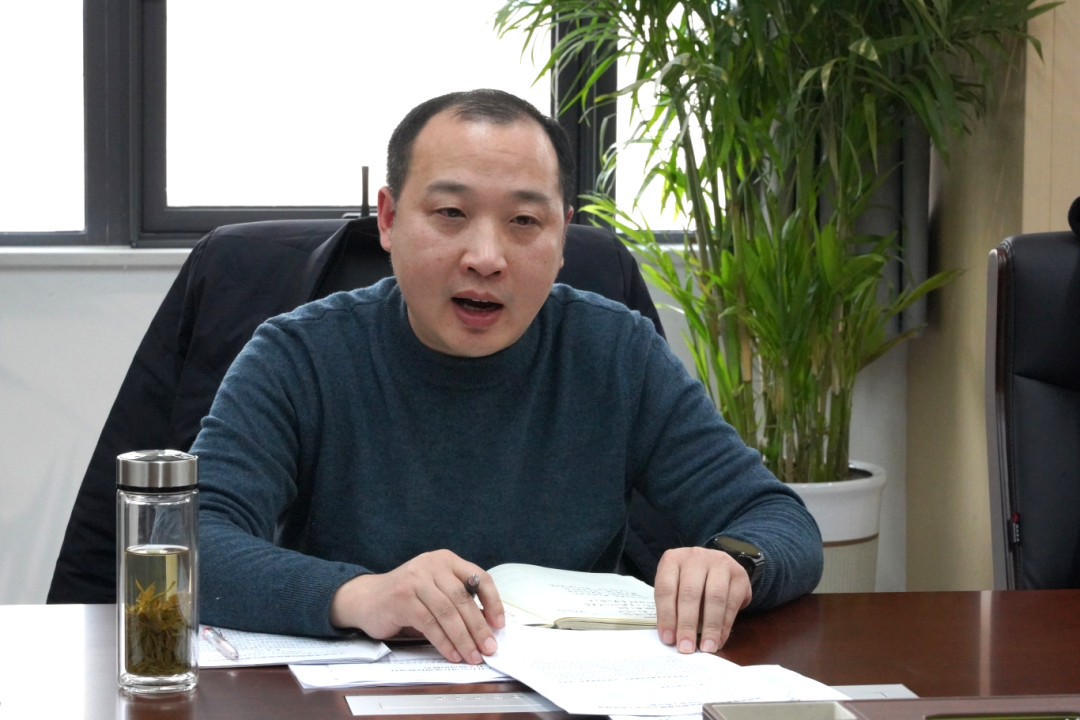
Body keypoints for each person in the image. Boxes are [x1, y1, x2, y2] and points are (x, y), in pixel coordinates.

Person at [192, 89, 823, 666]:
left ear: (563, 235)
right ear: (388, 219)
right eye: (450, 213)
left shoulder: (616, 352)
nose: (487, 258)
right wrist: (359, 595)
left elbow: (774, 517)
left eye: (524, 222)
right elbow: (188, 540)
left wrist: (732, 565)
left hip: (575, 690)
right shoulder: (299, 355)